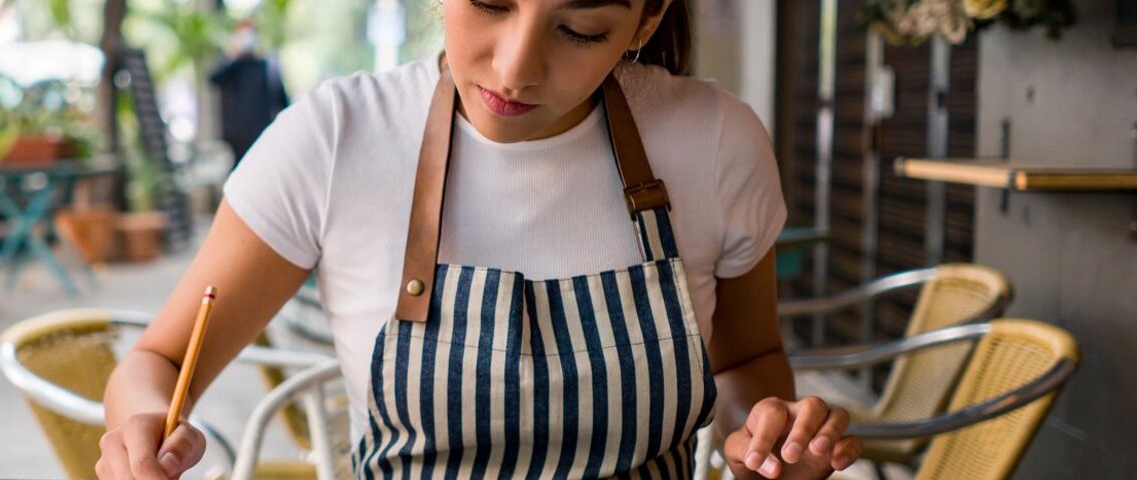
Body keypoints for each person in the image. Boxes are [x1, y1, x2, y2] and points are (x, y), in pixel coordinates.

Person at [100, 1, 863, 478]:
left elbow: (747, 362)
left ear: (647, 21)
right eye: (491, 2)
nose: (515, 66)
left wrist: (769, 438)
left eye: (579, 29)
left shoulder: (716, 142)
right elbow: (161, 360)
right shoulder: (332, 140)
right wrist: (142, 430)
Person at [208, 21, 289, 167]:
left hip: (261, 133)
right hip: (235, 136)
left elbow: (282, 101)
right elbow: (213, 80)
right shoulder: (231, 65)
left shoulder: (267, 66)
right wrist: (233, 56)